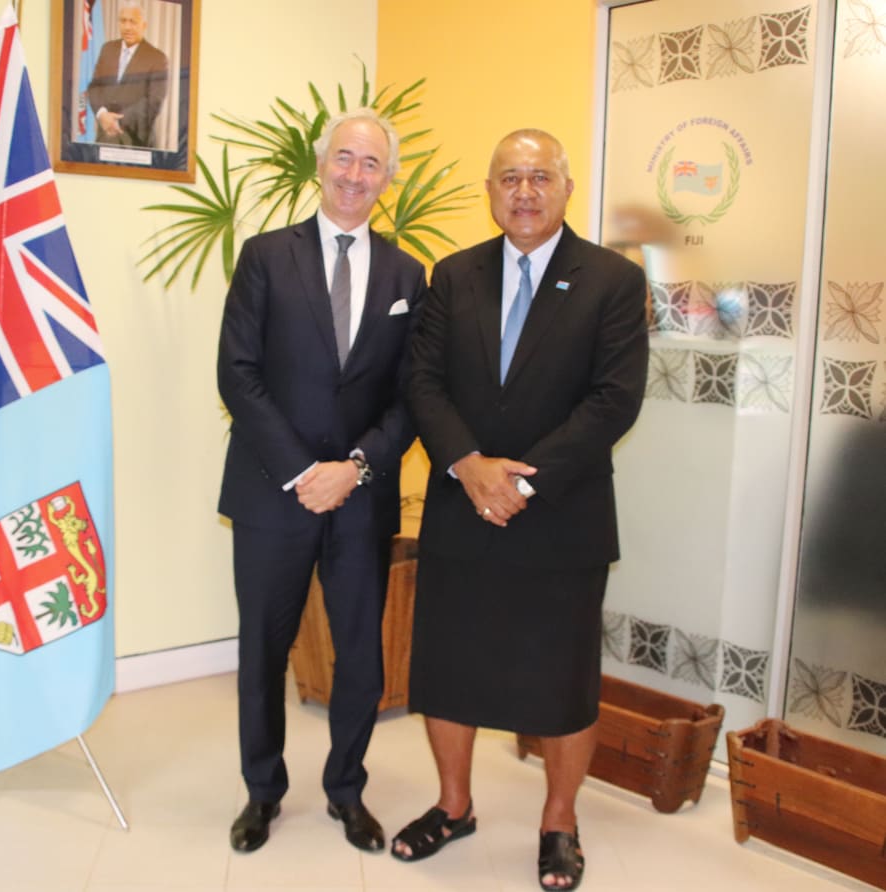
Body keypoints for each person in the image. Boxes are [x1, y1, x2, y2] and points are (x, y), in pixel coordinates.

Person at [392, 129, 648, 891]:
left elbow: (614, 401)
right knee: (446, 667)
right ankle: (454, 805)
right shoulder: (455, 274)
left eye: (540, 176)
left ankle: (559, 822)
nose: (525, 191)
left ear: (567, 188)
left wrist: (522, 483)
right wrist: (469, 467)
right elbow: (422, 382)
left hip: (561, 514)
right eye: (510, 177)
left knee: (562, 677)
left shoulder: (610, 279)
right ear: (491, 190)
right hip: (461, 505)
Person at [216, 108, 427, 854]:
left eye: (371, 164)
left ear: (387, 179)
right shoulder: (267, 256)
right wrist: (306, 472)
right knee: (263, 654)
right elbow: (237, 376)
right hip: (275, 491)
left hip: (360, 500)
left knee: (361, 656)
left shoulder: (408, 274)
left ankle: (347, 791)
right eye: (344, 158)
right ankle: (262, 793)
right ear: (320, 164)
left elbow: (412, 394)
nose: (354, 175)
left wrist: (355, 468)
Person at [87, 2, 169, 148]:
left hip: (137, 142)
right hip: (104, 139)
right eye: (123, 21)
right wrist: (102, 115)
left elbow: (154, 102)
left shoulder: (157, 58)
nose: (127, 27)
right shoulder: (108, 49)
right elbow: (94, 87)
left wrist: (117, 122)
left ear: (144, 25)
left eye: (133, 22)